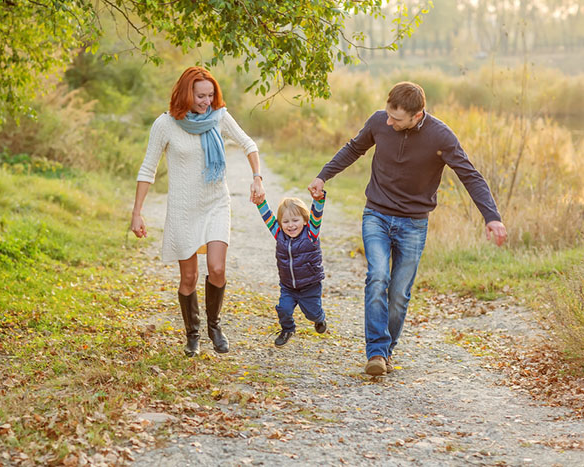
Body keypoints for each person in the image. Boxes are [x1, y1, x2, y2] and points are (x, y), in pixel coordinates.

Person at [307, 81, 507, 376]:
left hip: (414, 223)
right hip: (376, 214)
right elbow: (353, 149)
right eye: (388, 114)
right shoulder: (379, 121)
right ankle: (375, 351)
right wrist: (323, 176)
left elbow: (470, 176)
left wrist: (492, 216)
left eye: (396, 119)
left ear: (417, 115)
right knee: (377, 276)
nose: (388, 121)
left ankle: (386, 352)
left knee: (399, 293)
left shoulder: (441, 136)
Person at [131, 66, 265, 357]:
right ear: (185, 93)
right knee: (189, 278)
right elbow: (147, 168)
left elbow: (248, 143)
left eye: (210, 95)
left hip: (216, 202)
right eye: (201, 96)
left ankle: (214, 327)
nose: (207, 102)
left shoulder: (219, 118)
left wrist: (257, 177)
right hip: (182, 208)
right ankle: (192, 334)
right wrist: (137, 212)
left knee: (217, 268)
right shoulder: (165, 125)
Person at [256, 193, 327, 347]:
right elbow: (267, 217)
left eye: (295, 220)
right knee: (284, 309)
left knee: (312, 312)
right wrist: (261, 203)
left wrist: (319, 199)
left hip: (310, 285)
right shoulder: (279, 234)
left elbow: (317, 215)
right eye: (286, 221)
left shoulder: (311, 234)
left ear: (305, 220)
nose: (291, 225)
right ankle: (288, 329)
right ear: (280, 223)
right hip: (288, 286)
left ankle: (319, 318)